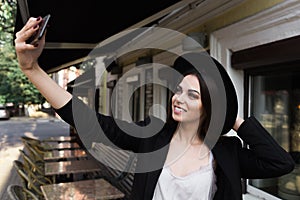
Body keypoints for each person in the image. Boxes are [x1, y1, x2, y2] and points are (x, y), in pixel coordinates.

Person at [15, 17, 295, 200]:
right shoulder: (153, 136)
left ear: (209, 107)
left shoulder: (228, 153)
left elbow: (280, 163)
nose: (178, 98)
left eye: (192, 95)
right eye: (178, 90)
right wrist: (33, 70)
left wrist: (232, 117)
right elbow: (91, 123)